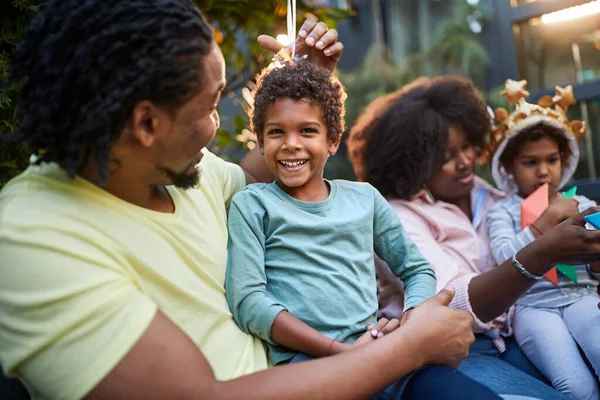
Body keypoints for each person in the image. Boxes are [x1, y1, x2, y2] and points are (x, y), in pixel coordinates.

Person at [0, 1, 481, 399]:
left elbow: (263, 173)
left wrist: (304, 87)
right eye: (211, 107)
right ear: (146, 125)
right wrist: (409, 347)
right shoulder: (31, 235)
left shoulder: (182, 170)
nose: (216, 129)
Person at [224, 62, 498, 399]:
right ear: (261, 140)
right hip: (306, 366)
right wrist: (338, 351)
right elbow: (249, 302)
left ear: (333, 141)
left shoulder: (364, 199)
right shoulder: (252, 205)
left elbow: (416, 269)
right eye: (276, 132)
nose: (290, 144)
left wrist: (409, 331)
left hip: (383, 350)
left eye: (308, 131)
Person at [346, 75, 588, 399]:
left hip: (517, 336)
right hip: (448, 357)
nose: (464, 163)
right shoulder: (397, 218)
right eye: (446, 157)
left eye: (467, 147)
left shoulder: (495, 199)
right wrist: (542, 244)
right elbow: (452, 302)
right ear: (413, 164)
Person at [486, 81, 600, 399]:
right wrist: (548, 219)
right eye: (530, 162)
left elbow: (595, 268)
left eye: (552, 160)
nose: (544, 172)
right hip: (533, 308)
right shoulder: (501, 212)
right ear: (508, 166)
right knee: (577, 388)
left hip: (581, 297)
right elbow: (503, 261)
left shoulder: (580, 204)